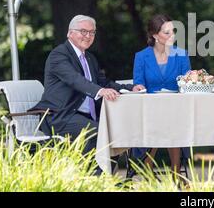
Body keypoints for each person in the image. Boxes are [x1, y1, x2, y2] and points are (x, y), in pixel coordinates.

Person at [30, 15, 145, 173]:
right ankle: (94, 180)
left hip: (85, 116)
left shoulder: (89, 58)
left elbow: (103, 82)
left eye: (92, 32)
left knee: (117, 133)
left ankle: (102, 177)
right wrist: (100, 91)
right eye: (83, 31)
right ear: (70, 33)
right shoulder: (59, 55)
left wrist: (129, 87)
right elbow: (75, 80)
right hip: (60, 116)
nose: (88, 36)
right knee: (100, 133)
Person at [130, 14, 191, 176]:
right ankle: (149, 173)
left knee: (173, 121)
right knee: (155, 122)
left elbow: (187, 83)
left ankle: (176, 172)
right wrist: (138, 86)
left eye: (173, 31)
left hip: (176, 109)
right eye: (167, 32)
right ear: (155, 35)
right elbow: (138, 83)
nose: (172, 36)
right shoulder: (142, 56)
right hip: (150, 110)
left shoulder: (181, 54)